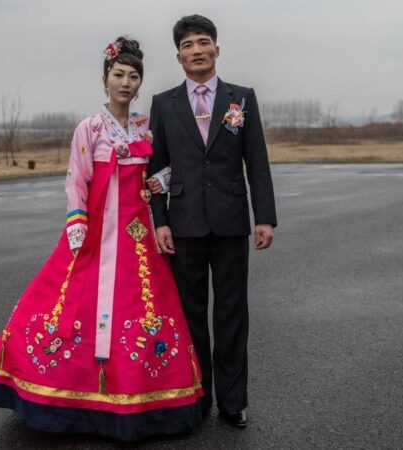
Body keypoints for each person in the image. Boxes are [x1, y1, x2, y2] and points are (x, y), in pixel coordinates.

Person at [0, 36, 203, 442]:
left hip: (137, 236)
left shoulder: (144, 127)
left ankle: (142, 397)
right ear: (105, 81)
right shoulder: (90, 128)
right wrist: (77, 221)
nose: (126, 83)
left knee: (141, 306)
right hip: (96, 229)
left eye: (134, 77)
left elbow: (166, 168)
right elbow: (76, 178)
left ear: (139, 85)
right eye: (119, 75)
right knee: (67, 299)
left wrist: (159, 180)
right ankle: (65, 395)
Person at [148, 15, 277, 428]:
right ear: (179, 56)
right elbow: (156, 167)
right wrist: (160, 220)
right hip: (182, 226)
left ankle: (233, 401)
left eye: (204, 42)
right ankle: (196, 397)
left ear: (217, 49)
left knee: (231, 313)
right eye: (188, 45)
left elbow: (256, 160)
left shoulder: (242, 98)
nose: (197, 51)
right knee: (189, 314)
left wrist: (265, 218)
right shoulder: (163, 103)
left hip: (231, 222)